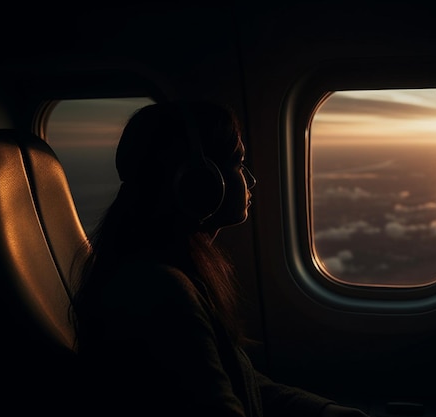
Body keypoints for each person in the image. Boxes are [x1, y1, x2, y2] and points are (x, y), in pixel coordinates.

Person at [70, 100, 370, 417]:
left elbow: (235, 380)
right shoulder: (161, 292)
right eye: (239, 164)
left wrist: (325, 411)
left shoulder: (171, 271)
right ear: (201, 180)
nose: (251, 180)